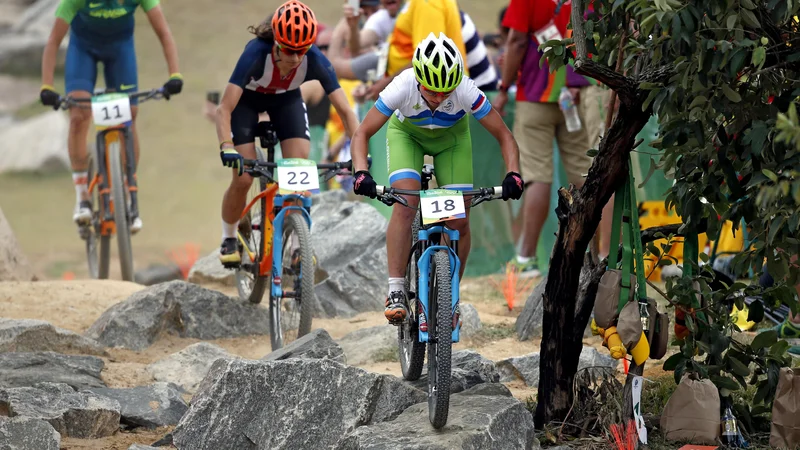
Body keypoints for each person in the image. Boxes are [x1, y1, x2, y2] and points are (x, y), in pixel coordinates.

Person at [350, 32, 524, 326]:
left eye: (447, 92)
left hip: (451, 142)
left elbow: (504, 135)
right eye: (432, 92)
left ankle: (449, 293)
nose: (440, 98)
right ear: (418, 79)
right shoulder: (401, 86)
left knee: (460, 220)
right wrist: (360, 172)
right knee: (405, 203)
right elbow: (362, 133)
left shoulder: (466, 90)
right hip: (408, 137)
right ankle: (395, 290)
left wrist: (514, 173)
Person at [215, 0, 360, 266]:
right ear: (275, 42)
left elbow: (347, 112)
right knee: (244, 177)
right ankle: (228, 237)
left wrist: (359, 155)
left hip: (286, 102)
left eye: (301, 52)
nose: (294, 59)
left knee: (299, 170)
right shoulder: (255, 54)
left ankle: (297, 246)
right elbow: (224, 108)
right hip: (247, 104)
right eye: (287, 50)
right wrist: (227, 146)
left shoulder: (316, 59)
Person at [39, 0, 183, 233]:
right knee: (79, 115)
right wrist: (47, 86)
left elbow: (164, 33)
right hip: (82, 51)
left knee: (130, 114)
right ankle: (82, 196)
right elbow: (54, 40)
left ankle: (128, 194)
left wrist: (175, 74)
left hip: (120, 51)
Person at [492, 0, 603, 277]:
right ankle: (599, 251)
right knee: (584, 174)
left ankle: (526, 257)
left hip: (534, 96)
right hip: (576, 92)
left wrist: (504, 87)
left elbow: (516, 41)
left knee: (537, 176)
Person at [366, 0, 467, 100]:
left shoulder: (427, 3)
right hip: (436, 91)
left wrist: (387, 84)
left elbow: (430, 59)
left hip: (439, 93)